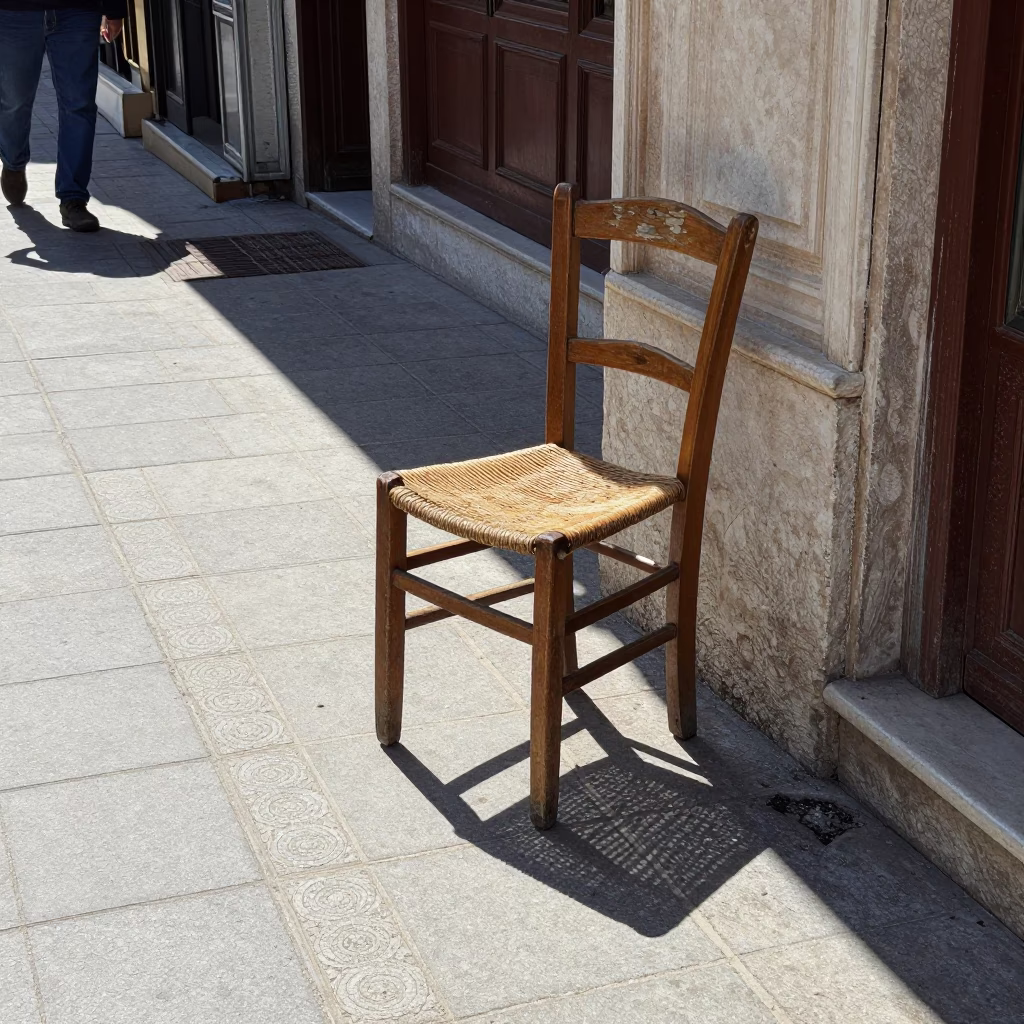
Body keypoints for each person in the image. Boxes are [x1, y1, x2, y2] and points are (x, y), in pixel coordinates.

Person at [0, 1, 125, 232]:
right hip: (14, 12)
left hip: (78, 11)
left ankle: (73, 199)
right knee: (14, 101)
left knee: (79, 105)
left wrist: (114, 9)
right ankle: (13, 162)